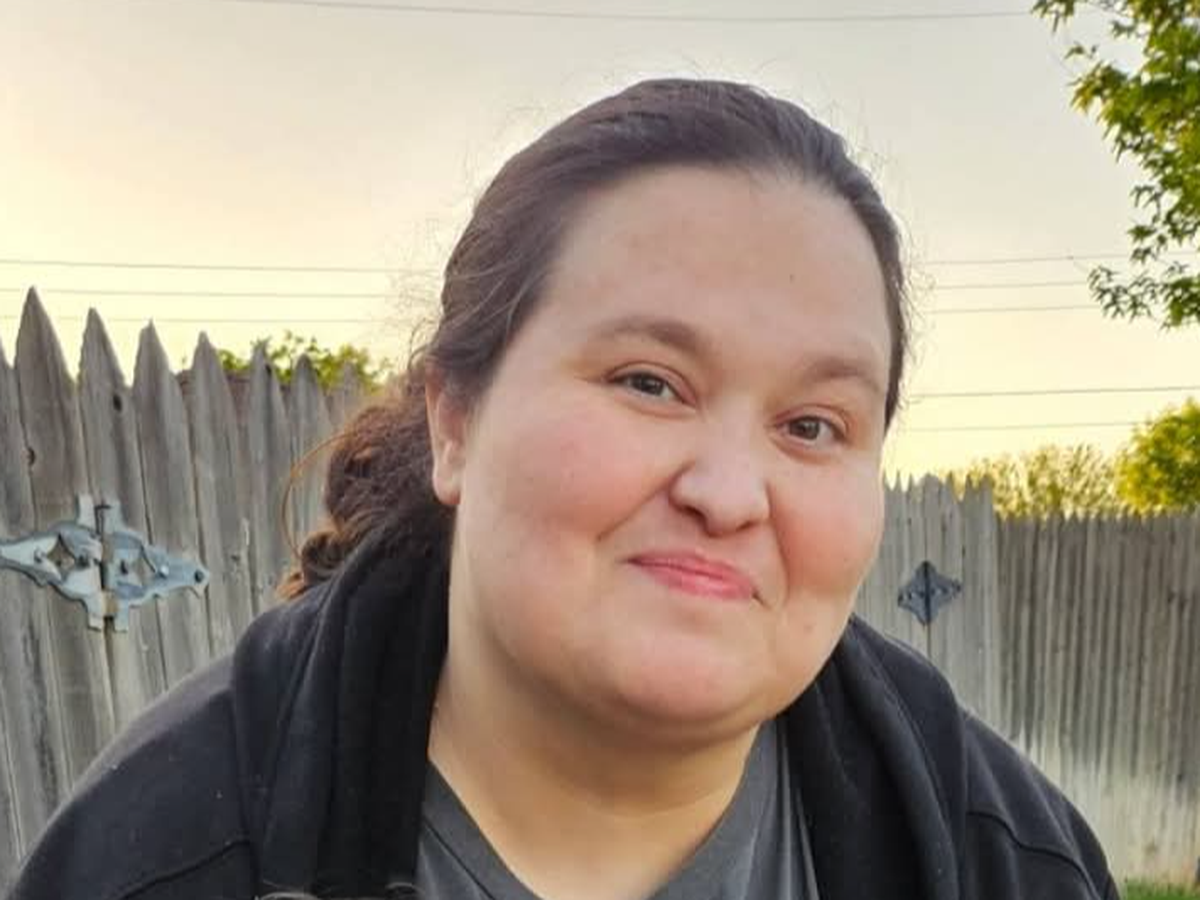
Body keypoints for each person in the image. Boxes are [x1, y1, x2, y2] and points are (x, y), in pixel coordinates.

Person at [6, 78, 1117, 900]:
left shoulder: (1012, 863)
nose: (731, 493)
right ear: (455, 419)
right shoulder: (155, 860)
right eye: (649, 382)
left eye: (812, 425)